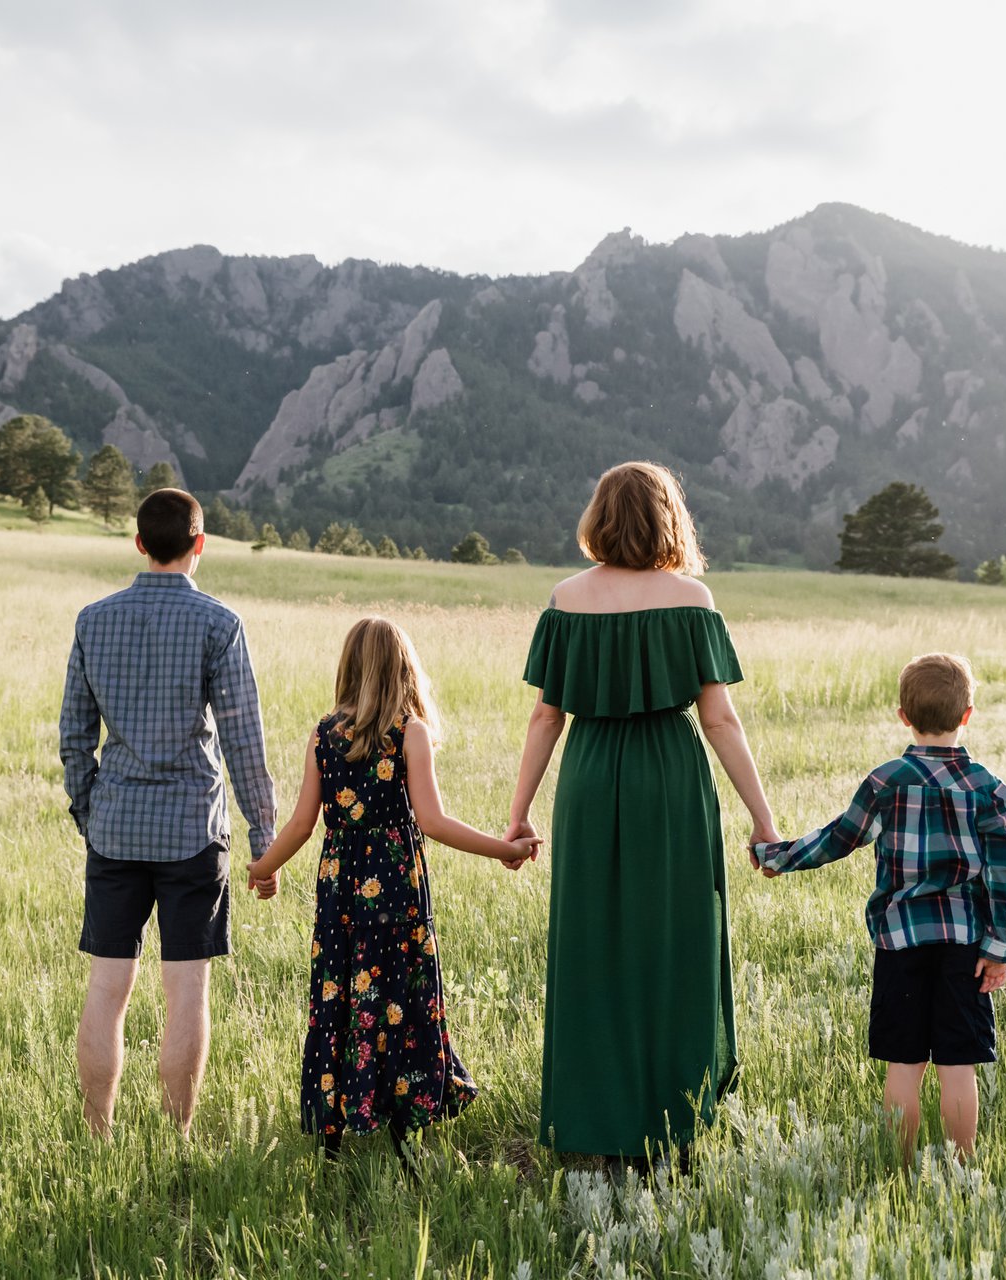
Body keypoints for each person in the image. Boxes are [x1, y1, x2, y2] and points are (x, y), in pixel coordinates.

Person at [508, 460, 779, 1169]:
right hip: (670, 779)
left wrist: (519, 814)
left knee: (591, 948)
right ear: (669, 519)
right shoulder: (694, 599)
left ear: (599, 518)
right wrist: (762, 817)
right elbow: (719, 721)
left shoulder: (566, 598)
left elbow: (546, 717)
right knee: (674, 947)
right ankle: (673, 1122)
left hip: (592, 780)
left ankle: (593, 1128)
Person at [248, 617, 541, 1167]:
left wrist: (263, 867)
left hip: (341, 894)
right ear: (404, 669)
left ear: (350, 667)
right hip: (397, 895)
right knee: (400, 1005)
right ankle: (405, 1138)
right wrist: (502, 850)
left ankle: (333, 1140)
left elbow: (300, 826)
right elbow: (432, 820)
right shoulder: (410, 733)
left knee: (339, 998)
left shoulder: (324, 735)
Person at [59, 488, 278, 1138]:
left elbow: (75, 737)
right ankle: (176, 1138)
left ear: (139, 544)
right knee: (187, 991)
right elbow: (243, 739)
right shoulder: (219, 624)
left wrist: (91, 812)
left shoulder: (94, 620)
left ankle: (98, 1131)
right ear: (199, 544)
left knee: (107, 987)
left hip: (116, 829)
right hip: (191, 833)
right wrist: (265, 842)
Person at [753, 653, 1006, 1161]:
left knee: (903, 1065)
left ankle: (900, 1165)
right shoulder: (988, 788)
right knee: (957, 1066)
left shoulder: (887, 781)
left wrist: (779, 856)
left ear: (903, 714)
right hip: (966, 943)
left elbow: (839, 837)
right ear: (968, 714)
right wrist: (998, 945)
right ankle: (962, 1167)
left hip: (900, 942)